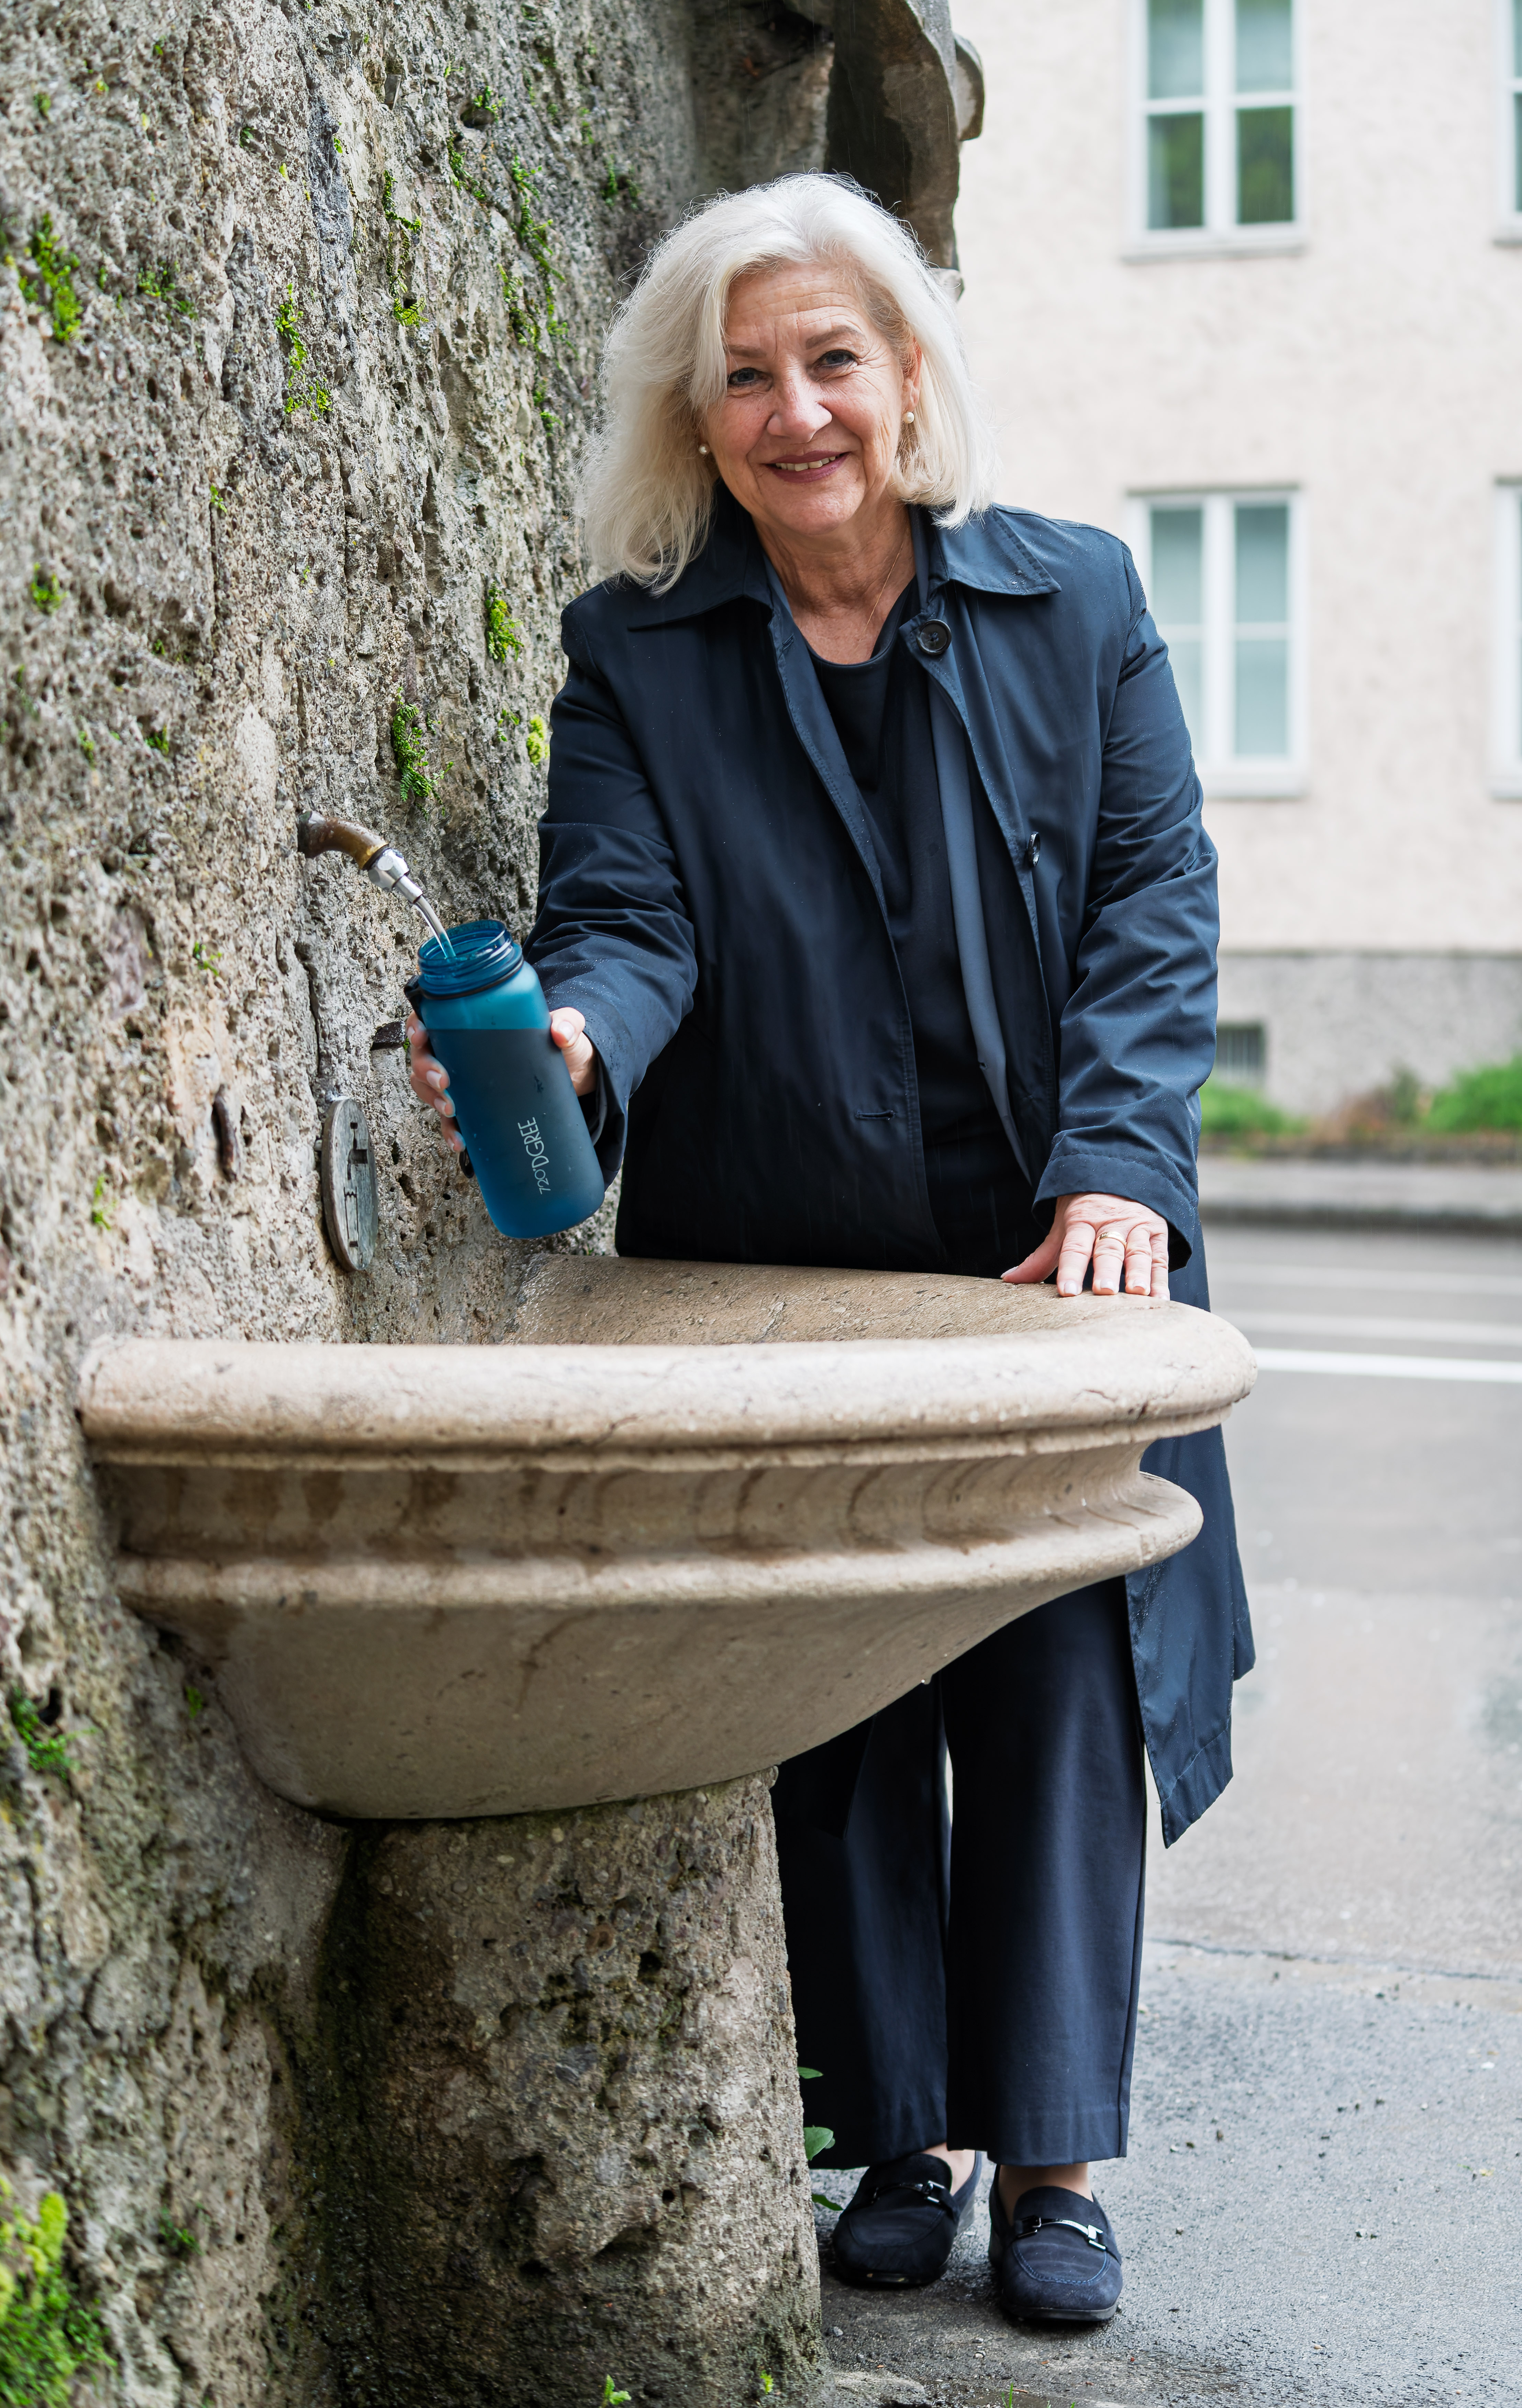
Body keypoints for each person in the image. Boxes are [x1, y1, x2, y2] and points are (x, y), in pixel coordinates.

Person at [406, 172, 1251, 2328]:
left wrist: (1119, 1172)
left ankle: (1055, 2160)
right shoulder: (642, 647)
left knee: (1055, 1676)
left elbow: (1156, 908)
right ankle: (903, 2132)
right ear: (697, 419)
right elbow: (630, 914)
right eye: (748, 376)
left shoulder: (1080, 602)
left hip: (1049, 1244)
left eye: (833, 359)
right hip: (776, 1245)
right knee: (838, 1693)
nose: (797, 410)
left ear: (907, 376)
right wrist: (580, 1036)